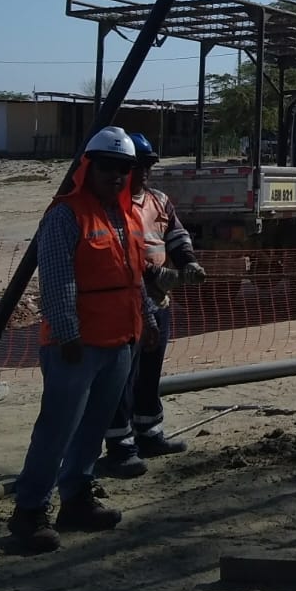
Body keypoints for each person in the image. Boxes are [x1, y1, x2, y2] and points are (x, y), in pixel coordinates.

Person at [8, 127, 158, 553]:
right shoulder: (65, 215)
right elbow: (57, 280)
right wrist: (67, 333)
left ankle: (76, 497)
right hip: (76, 346)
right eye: (108, 167)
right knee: (57, 430)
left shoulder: (126, 216)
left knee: (93, 429)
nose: (116, 175)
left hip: (120, 341)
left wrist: (147, 319)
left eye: (124, 168)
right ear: (87, 167)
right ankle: (29, 510)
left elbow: (134, 276)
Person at [102, 133, 207, 474]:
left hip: (158, 302)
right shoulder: (113, 206)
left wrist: (188, 263)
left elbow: (176, 235)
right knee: (123, 377)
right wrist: (155, 274)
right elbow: (120, 253)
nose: (145, 172)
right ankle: (120, 445)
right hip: (126, 303)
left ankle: (148, 432)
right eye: (138, 166)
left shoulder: (158, 201)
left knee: (150, 372)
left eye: (148, 165)